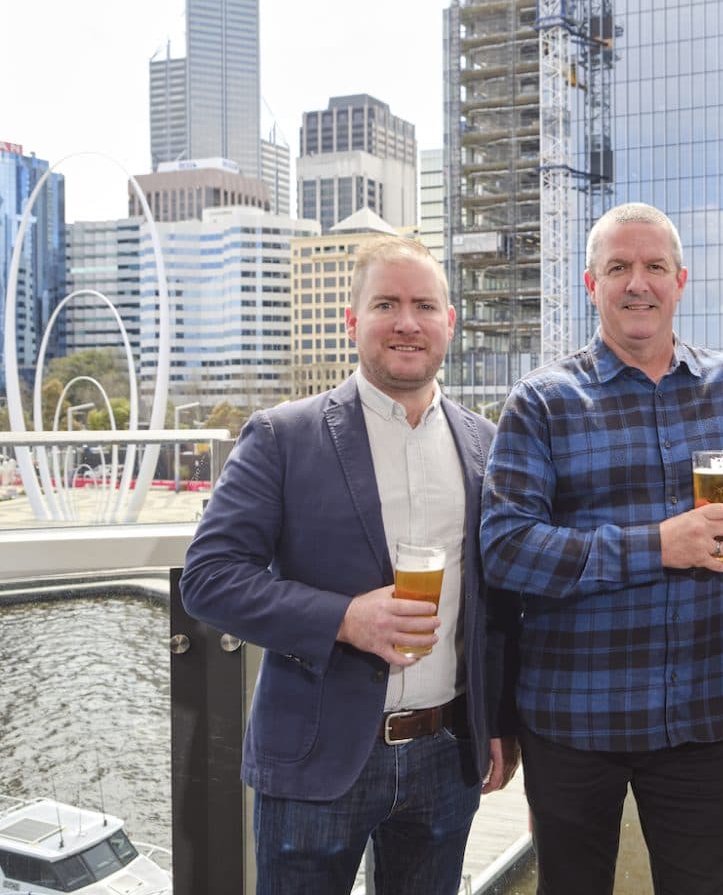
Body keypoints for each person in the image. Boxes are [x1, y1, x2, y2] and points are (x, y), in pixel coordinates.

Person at [180, 236, 520, 895]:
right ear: (351, 321)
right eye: (385, 304)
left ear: (450, 322)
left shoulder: (485, 443)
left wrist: (494, 722)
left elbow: (494, 604)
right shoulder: (282, 436)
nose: (406, 322)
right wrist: (344, 619)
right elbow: (210, 577)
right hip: (316, 759)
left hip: (446, 758)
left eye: (424, 305)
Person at [481, 202, 723, 895]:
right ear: (590, 285)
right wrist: (657, 546)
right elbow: (505, 549)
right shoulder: (541, 401)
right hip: (575, 713)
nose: (636, 283)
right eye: (617, 267)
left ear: (681, 281)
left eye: (653, 267)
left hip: (703, 709)